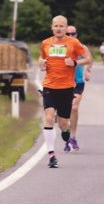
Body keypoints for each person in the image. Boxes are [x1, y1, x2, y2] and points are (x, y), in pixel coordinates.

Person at [39, 15, 92, 168]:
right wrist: (41, 64)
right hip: (49, 86)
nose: (59, 29)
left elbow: (88, 59)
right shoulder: (45, 43)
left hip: (67, 88)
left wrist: (75, 62)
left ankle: (66, 131)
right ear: (52, 27)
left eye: (62, 26)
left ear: (65, 27)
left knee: (63, 123)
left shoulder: (73, 43)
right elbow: (41, 60)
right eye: (56, 26)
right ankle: (51, 155)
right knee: (49, 117)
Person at [64, 25, 91, 152]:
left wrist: (88, 71)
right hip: (62, 84)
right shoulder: (60, 47)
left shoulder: (82, 47)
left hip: (77, 83)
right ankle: (66, 136)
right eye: (68, 34)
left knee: (74, 108)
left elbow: (89, 59)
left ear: (76, 35)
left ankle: (73, 137)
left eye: (72, 34)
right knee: (64, 113)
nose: (70, 36)